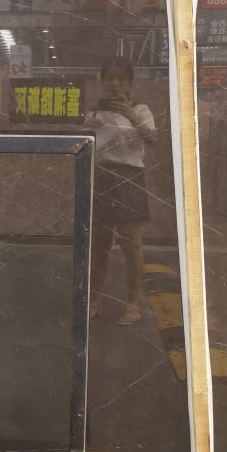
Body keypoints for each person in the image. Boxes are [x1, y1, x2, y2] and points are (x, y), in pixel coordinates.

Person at [84, 56, 157, 325]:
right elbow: (86, 147)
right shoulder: (94, 113)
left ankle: (133, 304)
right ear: (102, 81)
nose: (115, 84)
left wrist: (131, 116)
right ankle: (95, 300)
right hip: (102, 177)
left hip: (130, 178)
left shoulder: (142, 110)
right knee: (100, 247)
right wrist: (87, 130)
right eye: (110, 78)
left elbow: (153, 139)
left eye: (121, 79)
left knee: (132, 246)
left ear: (130, 82)